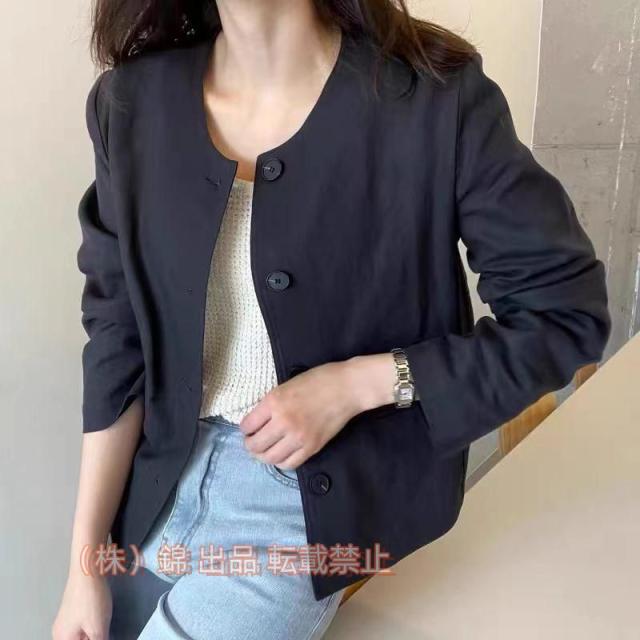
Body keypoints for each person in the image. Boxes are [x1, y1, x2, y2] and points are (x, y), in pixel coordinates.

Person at [52, 0, 611, 638]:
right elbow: (117, 340)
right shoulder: (130, 104)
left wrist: (356, 385)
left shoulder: (435, 100)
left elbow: (563, 314)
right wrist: (83, 562)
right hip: (151, 494)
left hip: (300, 509)